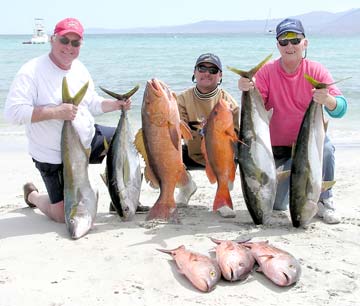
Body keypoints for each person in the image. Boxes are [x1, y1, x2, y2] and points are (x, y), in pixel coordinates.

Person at [4, 17, 146, 223]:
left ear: (80, 45)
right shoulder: (31, 71)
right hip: (53, 156)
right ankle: (33, 197)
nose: (69, 47)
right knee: (62, 216)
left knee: (132, 145)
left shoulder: (79, 68)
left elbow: (93, 103)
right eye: (64, 40)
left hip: (87, 142)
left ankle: (119, 198)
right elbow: (13, 113)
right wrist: (56, 112)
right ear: (52, 39)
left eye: (75, 42)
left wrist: (115, 105)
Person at [238, 18, 347, 224]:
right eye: (283, 41)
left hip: (307, 147)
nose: (290, 46)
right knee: (276, 204)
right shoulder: (267, 72)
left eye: (295, 40)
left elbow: (341, 109)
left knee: (326, 149)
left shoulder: (316, 71)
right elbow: (257, 108)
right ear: (277, 45)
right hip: (276, 150)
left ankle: (325, 200)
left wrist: (328, 100)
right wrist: (247, 88)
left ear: (305, 43)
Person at [176, 53, 240, 217]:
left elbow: (239, 135)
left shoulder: (227, 102)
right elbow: (178, 133)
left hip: (221, 156)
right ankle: (186, 186)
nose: (206, 73)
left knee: (240, 155)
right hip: (193, 153)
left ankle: (224, 195)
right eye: (202, 68)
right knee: (165, 150)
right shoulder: (182, 99)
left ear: (220, 76)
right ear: (195, 72)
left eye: (213, 70)